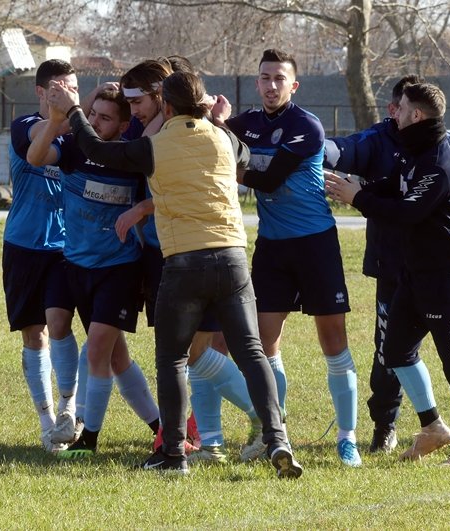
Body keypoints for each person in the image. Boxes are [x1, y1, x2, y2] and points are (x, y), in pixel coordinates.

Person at [48, 71, 302, 477]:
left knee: (171, 359)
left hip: (185, 262)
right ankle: (278, 439)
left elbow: (96, 149)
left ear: (165, 106)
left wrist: (74, 111)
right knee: (252, 352)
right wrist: (219, 120)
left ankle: (173, 454)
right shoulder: (224, 138)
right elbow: (243, 158)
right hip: (233, 258)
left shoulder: (154, 145)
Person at [323, 74, 450, 453]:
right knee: (395, 352)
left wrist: (357, 199)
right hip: (413, 274)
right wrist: (354, 188)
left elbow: (406, 213)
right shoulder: (413, 150)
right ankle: (432, 427)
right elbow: (392, 186)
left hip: (448, 277)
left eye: (399, 111)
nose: (392, 115)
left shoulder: (441, 159)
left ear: (415, 115)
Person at [117, 59, 263, 463]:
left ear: (163, 99)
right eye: (127, 102)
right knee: (194, 352)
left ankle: (256, 418)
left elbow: (192, 179)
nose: (134, 111)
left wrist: (144, 208)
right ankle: (210, 441)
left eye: (139, 101)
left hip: (197, 250)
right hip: (171, 249)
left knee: (194, 351)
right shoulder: (151, 128)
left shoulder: (180, 131)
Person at [224, 49, 361, 466]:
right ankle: (274, 432)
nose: (271, 85)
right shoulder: (245, 123)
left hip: (315, 244)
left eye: (279, 79)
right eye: (264, 78)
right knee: (264, 343)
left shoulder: (306, 126)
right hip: (272, 246)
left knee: (333, 340)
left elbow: (267, 180)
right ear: (257, 82)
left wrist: (228, 167)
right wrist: (215, 121)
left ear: (293, 85)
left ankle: (347, 437)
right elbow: (211, 140)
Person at [26, 87, 160, 458]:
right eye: (93, 114)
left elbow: (163, 195)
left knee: (100, 346)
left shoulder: (133, 155)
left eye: (106, 117)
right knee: (107, 353)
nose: (97, 121)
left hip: (118, 269)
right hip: (74, 264)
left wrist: (141, 210)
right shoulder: (74, 147)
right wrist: (55, 122)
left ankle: (87, 438)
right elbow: (35, 157)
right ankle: (158, 425)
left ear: (123, 124)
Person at [3, 59, 80, 454]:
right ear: (40, 92)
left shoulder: (83, 135)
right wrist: (58, 115)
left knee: (59, 323)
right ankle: (46, 421)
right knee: (34, 334)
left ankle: (68, 409)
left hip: (65, 248)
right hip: (22, 246)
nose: (66, 94)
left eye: (72, 88)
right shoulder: (24, 125)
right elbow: (36, 147)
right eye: (56, 88)